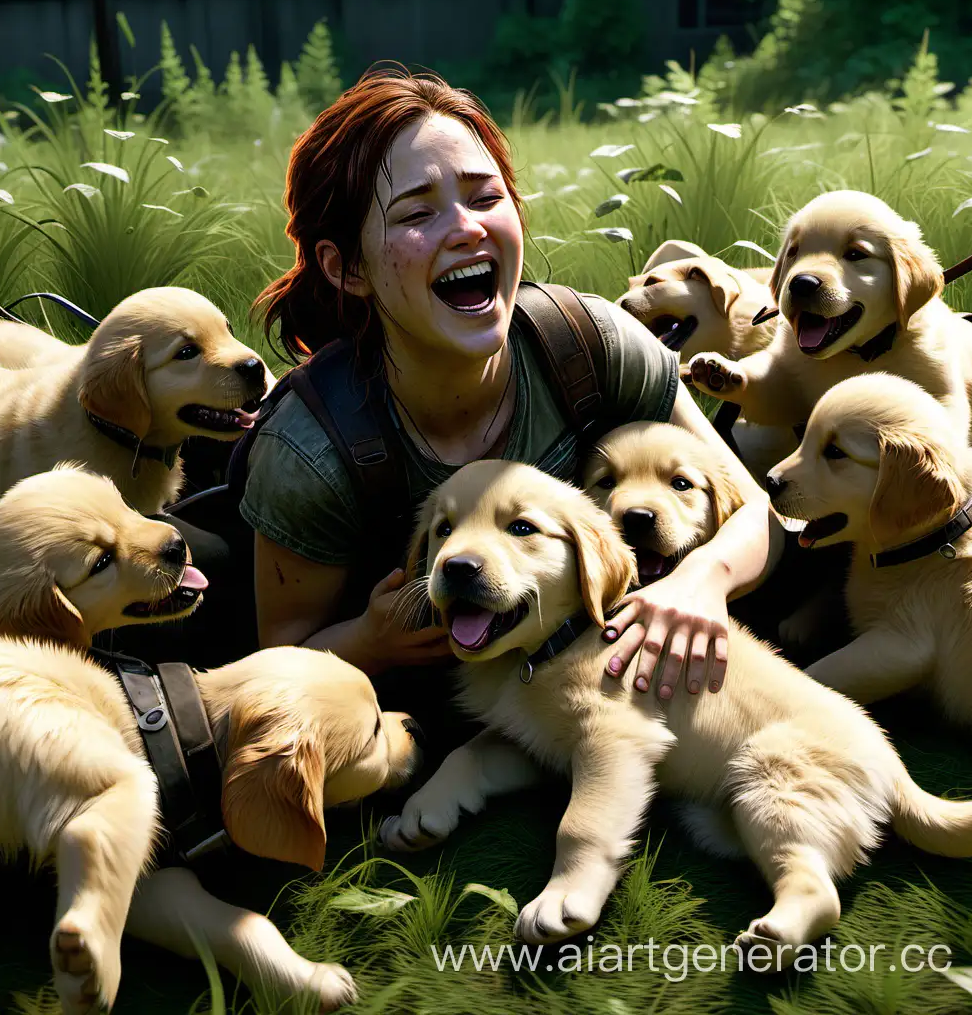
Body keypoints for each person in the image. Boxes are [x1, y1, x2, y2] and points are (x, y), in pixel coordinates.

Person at [239, 64, 783, 738]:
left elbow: (754, 510)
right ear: (346, 268)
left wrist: (701, 581)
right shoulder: (310, 452)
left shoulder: (588, 346)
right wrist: (367, 643)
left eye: (484, 197)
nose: (467, 229)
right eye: (417, 212)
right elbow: (276, 660)